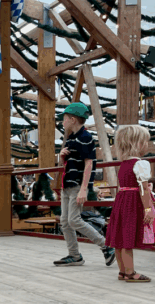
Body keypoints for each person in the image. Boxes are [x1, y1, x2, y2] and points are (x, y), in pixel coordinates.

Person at [53, 103, 115, 268]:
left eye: (64, 120)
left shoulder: (86, 137)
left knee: (73, 219)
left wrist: (83, 189)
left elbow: (89, 164)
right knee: (65, 222)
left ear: (72, 119)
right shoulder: (71, 138)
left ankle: (106, 245)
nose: (62, 123)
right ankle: (74, 255)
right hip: (67, 185)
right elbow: (69, 163)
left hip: (77, 185)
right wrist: (62, 156)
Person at [105, 125, 154, 282]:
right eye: (146, 141)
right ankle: (131, 273)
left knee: (120, 237)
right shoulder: (141, 164)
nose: (147, 144)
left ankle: (122, 271)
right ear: (138, 143)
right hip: (133, 203)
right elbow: (143, 189)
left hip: (122, 202)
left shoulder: (123, 164)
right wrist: (148, 208)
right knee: (128, 238)